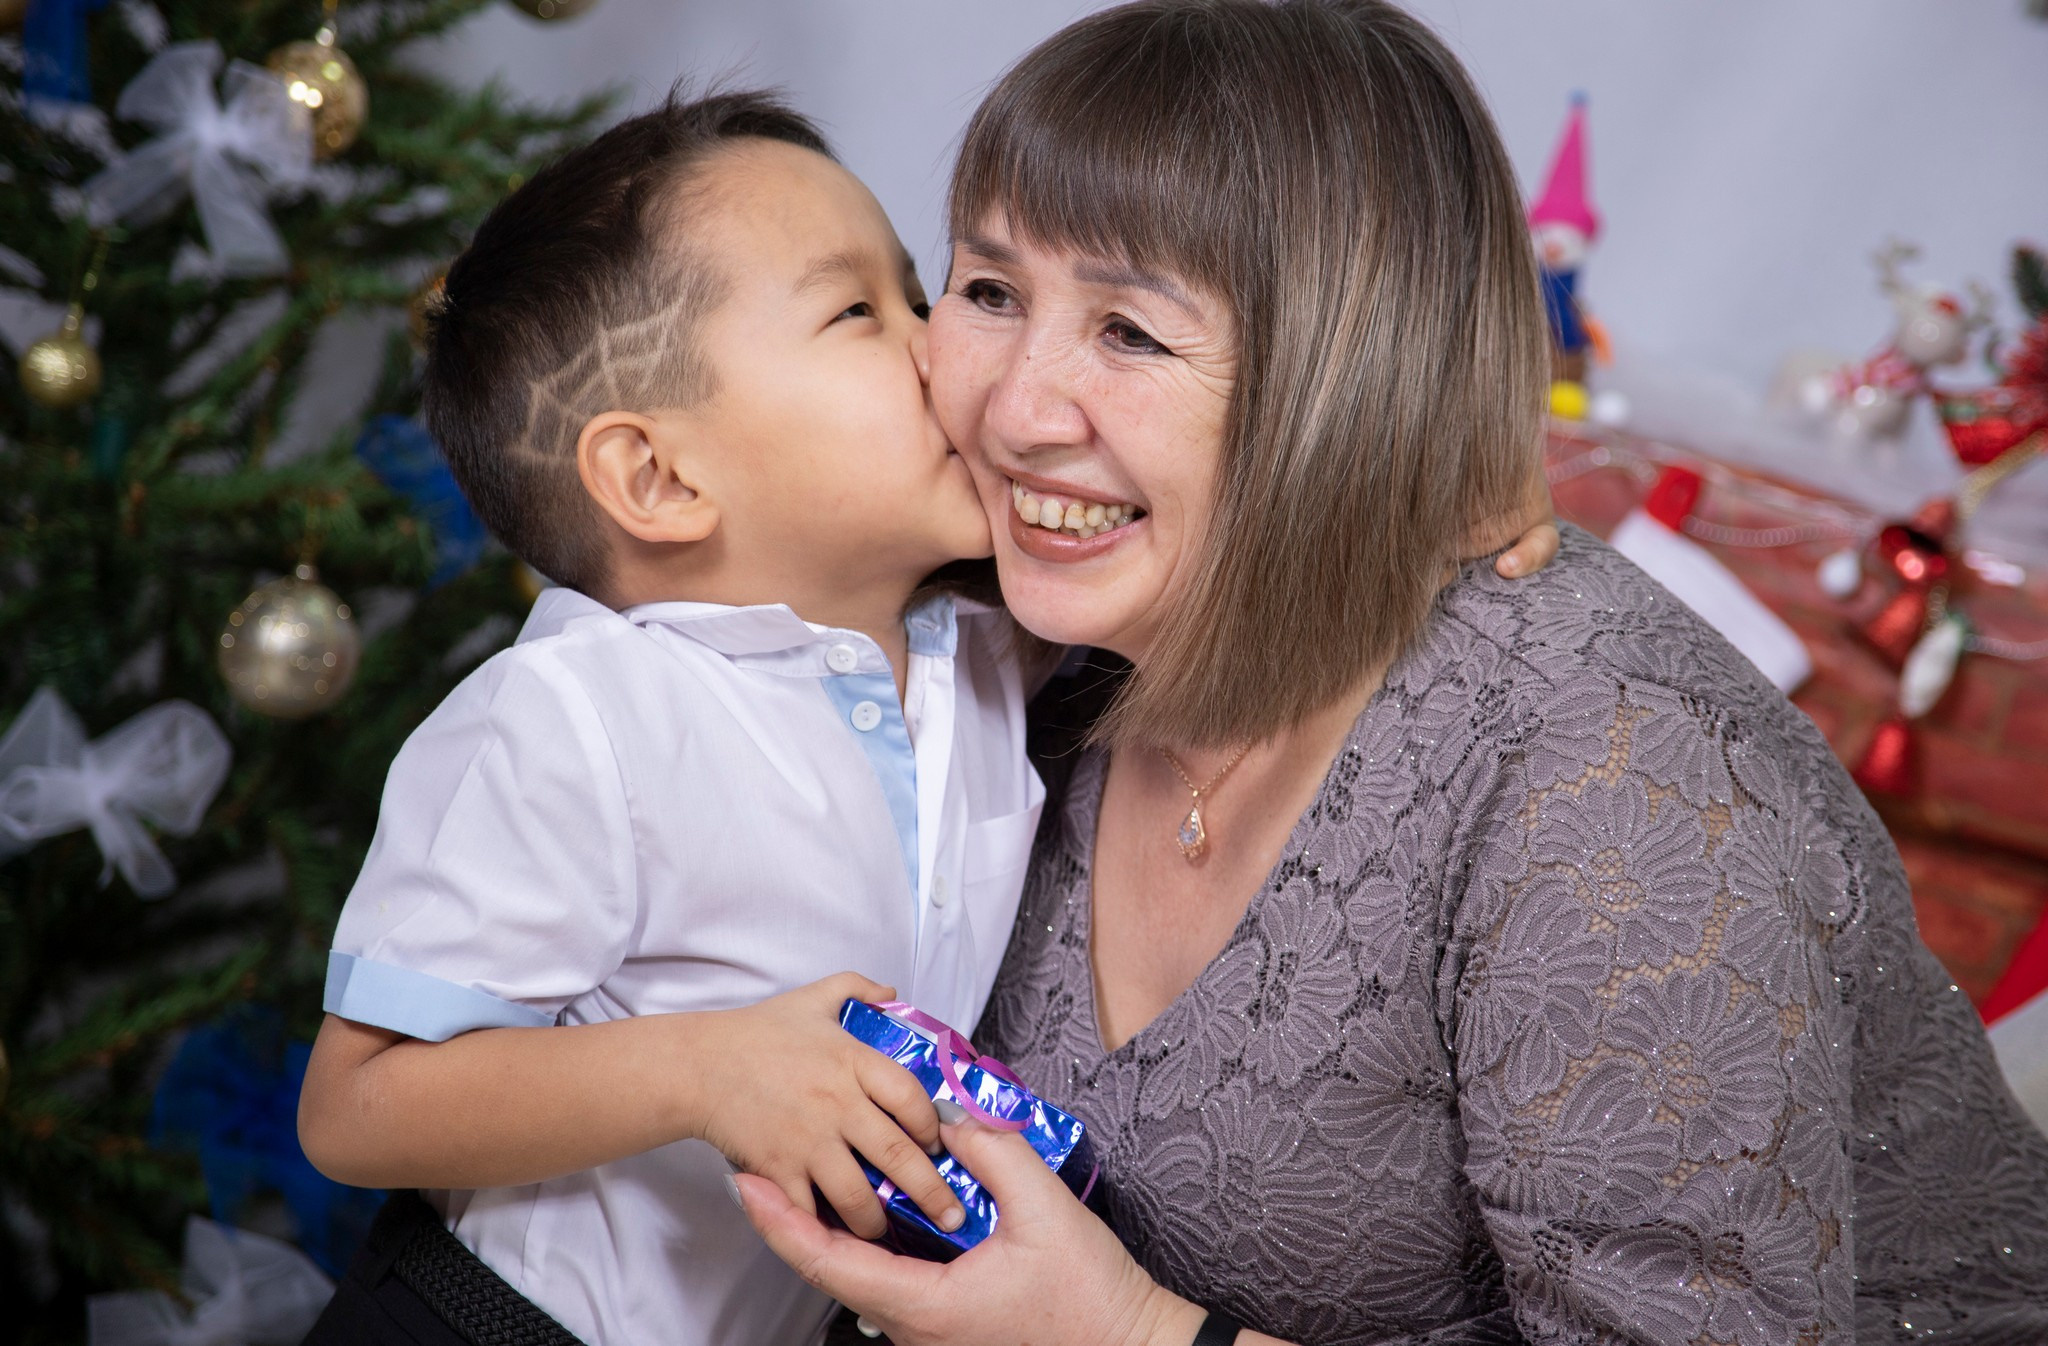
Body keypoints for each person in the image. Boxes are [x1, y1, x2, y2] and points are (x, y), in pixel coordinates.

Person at [736, 4, 2048, 1345]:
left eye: (1131, 332)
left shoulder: (1615, 771)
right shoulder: (1026, 632)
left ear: (1349, 376)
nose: (1015, 409)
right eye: (991, 291)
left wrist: (1126, 1333)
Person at [292, 78, 1574, 1346]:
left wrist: (1416, 494)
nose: (947, 344)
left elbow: (1198, 546)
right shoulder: (569, 716)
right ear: (659, 476)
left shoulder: (981, 642)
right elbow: (356, 1105)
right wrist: (706, 1069)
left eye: (925, 289)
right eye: (860, 310)